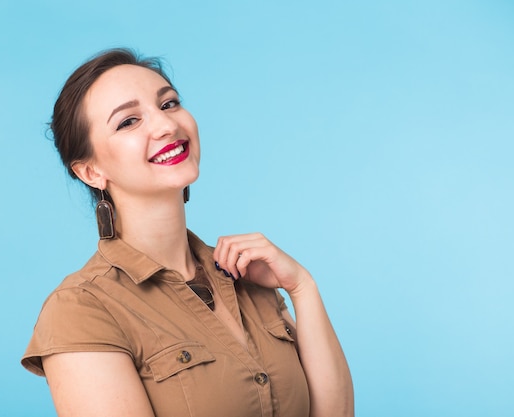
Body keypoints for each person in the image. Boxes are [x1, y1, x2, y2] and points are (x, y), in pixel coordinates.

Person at [21, 48, 354, 417]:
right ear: (90, 172)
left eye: (169, 104)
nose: (167, 126)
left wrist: (302, 288)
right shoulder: (81, 310)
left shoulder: (250, 276)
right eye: (128, 121)